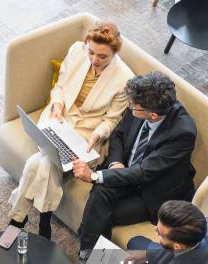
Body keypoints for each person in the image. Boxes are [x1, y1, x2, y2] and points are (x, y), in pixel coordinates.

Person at [8, 21, 133, 239]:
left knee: (40, 161)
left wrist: (97, 135)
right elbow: (60, 86)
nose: (95, 60)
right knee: (49, 160)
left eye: (102, 56)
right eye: (91, 52)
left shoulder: (125, 78)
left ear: (114, 53)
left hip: (88, 131)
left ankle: (17, 219)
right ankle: (44, 218)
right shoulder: (77, 50)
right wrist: (57, 105)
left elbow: (112, 120)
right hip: (61, 117)